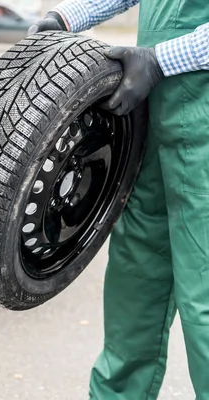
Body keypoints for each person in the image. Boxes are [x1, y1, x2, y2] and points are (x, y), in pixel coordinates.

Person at [28, 1, 209, 398]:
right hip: (154, 128)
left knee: (205, 302)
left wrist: (162, 60)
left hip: (203, 132)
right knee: (135, 283)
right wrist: (66, 18)